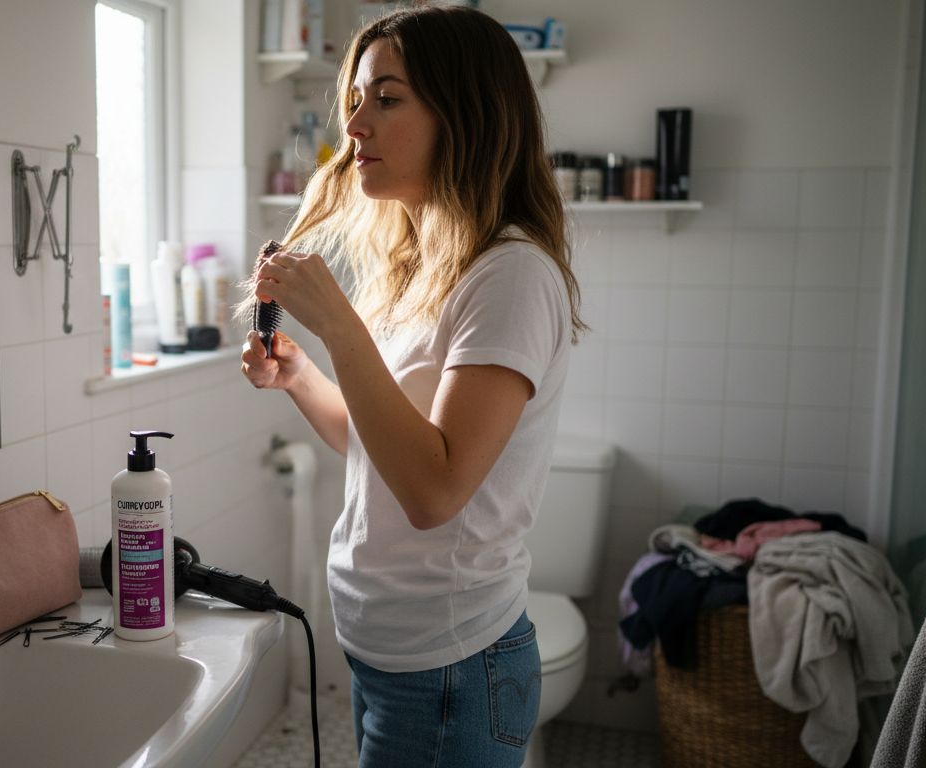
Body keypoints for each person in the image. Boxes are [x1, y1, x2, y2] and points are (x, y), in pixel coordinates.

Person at [240, 7, 585, 767]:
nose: (354, 125)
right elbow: (376, 441)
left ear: (465, 115)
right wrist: (301, 374)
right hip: (390, 654)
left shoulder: (512, 276)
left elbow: (433, 491)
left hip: (451, 669)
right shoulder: (422, 264)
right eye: (356, 99)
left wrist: (337, 324)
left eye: (387, 98)